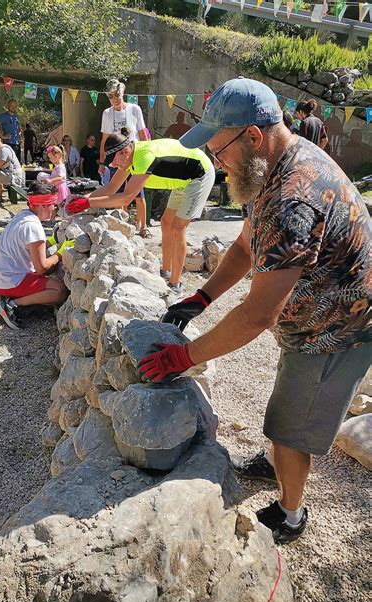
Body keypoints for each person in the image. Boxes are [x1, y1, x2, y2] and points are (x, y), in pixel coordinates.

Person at [137, 77, 371, 544]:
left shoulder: (293, 199)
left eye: (218, 150)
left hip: (338, 331)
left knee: (289, 427)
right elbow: (247, 243)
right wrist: (203, 296)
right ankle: (278, 460)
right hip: (314, 317)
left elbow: (258, 313)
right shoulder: (274, 165)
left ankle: (290, 512)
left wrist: (184, 358)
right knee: (287, 408)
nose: (215, 162)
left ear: (252, 136)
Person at [66, 128, 215, 292]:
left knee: (178, 228)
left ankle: (175, 284)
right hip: (182, 181)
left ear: (125, 151)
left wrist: (88, 204)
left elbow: (126, 198)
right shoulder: (128, 158)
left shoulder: (144, 157)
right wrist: (83, 198)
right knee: (166, 223)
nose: (113, 165)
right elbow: (111, 188)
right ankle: (166, 271)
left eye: (113, 160)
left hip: (199, 175)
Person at [0, 180, 70, 329]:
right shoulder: (33, 226)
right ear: (43, 205)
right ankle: (11, 305)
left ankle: (21, 300)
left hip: (0, 276)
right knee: (60, 291)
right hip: (9, 281)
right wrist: (61, 252)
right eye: (53, 204)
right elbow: (42, 268)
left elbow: (30, 246)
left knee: (48, 281)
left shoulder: (23, 216)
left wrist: (51, 242)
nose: (54, 208)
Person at [99, 79, 150, 238]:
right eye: (110, 96)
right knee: (120, 195)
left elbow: (142, 134)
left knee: (139, 195)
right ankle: (125, 227)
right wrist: (102, 162)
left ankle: (143, 227)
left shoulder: (135, 109)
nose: (114, 99)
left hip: (134, 158)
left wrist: (149, 156)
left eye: (116, 95)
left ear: (122, 92)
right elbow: (104, 140)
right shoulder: (107, 113)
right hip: (117, 160)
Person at [36, 145, 70, 209]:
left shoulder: (60, 166)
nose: (50, 159)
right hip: (55, 187)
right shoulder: (57, 166)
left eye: (51, 157)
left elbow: (61, 177)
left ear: (56, 156)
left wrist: (51, 180)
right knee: (54, 203)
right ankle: (52, 218)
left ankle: (66, 216)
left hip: (60, 188)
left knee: (61, 205)